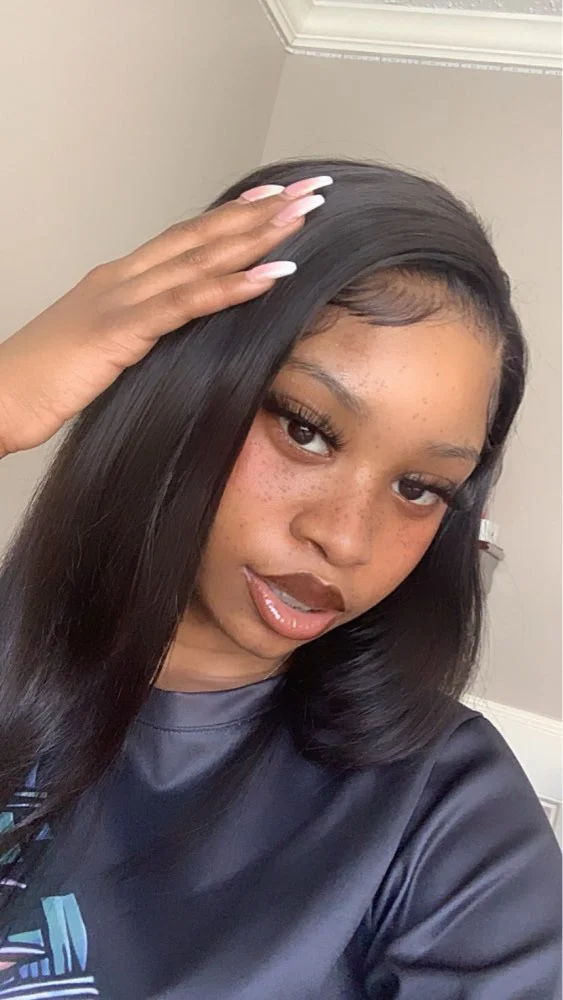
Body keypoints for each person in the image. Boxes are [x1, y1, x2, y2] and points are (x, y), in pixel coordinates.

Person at [0, 157, 560, 999]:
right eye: (305, 429)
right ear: (183, 391)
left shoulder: (446, 814)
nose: (344, 538)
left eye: (418, 488)